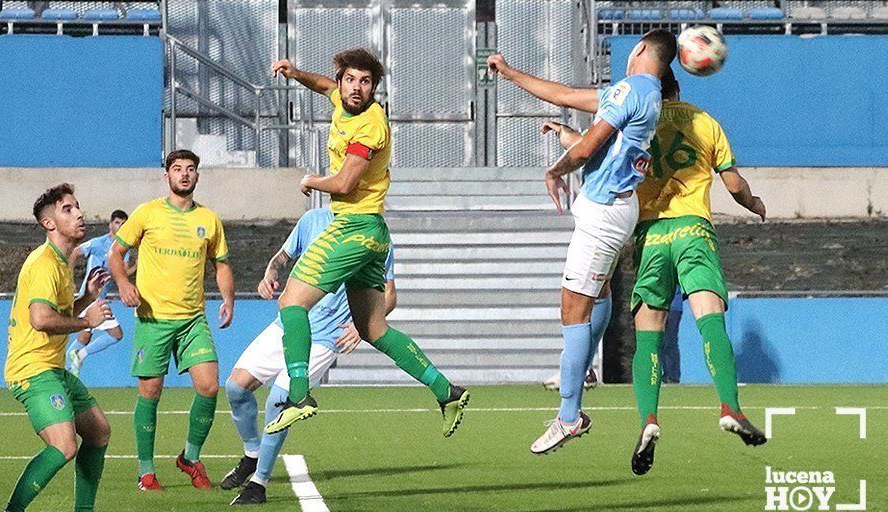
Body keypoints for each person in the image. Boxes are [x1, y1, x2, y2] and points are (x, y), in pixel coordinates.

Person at [488, 30, 677, 454]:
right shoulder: (646, 94)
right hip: (618, 207)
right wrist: (511, 73)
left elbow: (590, 146)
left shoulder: (630, 89)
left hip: (604, 212)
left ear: (641, 50)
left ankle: (569, 416)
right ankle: (585, 373)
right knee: (602, 292)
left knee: (573, 308)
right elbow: (568, 95)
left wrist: (556, 169)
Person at [265, 49, 468, 436]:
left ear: (375, 88)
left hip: (353, 228)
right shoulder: (340, 97)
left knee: (291, 303)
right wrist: (295, 73)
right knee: (373, 328)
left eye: (366, 82)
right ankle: (446, 391)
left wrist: (311, 181)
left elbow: (344, 184)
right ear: (341, 81)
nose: (357, 88)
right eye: (351, 80)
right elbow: (323, 85)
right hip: (373, 233)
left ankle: (299, 395)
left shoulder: (371, 125)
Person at [629, 70, 768, 476]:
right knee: (710, 322)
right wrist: (753, 203)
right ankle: (730, 407)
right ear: (679, 89)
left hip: (652, 235)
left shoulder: (638, 123)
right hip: (693, 231)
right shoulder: (705, 122)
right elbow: (734, 184)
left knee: (648, 337)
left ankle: (649, 420)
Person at [222, 207, 396, 504]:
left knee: (280, 399)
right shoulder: (312, 220)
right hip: (290, 322)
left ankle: (258, 484)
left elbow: (389, 293)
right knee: (235, 387)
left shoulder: (373, 233)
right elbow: (282, 257)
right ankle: (252, 453)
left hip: (325, 337)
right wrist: (270, 272)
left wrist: (360, 325)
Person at [0, 184, 120, 512]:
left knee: (98, 431)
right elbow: (42, 320)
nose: (78, 214)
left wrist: (84, 299)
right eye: (67, 209)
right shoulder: (44, 264)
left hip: (52, 368)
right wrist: (87, 321)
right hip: (33, 369)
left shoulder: (61, 263)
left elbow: (57, 312)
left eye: (77, 207)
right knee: (64, 445)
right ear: (49, 223)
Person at [108, 149, 236, 491]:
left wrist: (227, 298)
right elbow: (116, 253)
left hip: (193, 320)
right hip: (153, 319)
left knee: (209, 385)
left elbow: (221, 264)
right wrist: (123, 283)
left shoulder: (209, 220)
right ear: (167, 176)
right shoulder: (147, 213)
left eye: (190, 169)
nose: (184, 174)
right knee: (150, 392)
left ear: (197, 176)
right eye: (177, 169)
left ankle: (190, 457)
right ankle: (146, 471)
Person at [66, 209, 134, 376]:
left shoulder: (123, 248)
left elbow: (122, 275)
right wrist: (68, 278)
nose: (121, 226)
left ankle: (69, 371)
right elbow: (75, 252)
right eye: (117, 222)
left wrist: (135, 267)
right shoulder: (99, 243)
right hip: (92, 299)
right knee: (116, 334)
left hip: (98, 297)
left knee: (84, 338)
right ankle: (79, 355)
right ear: (110, 225)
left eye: (124, 223)